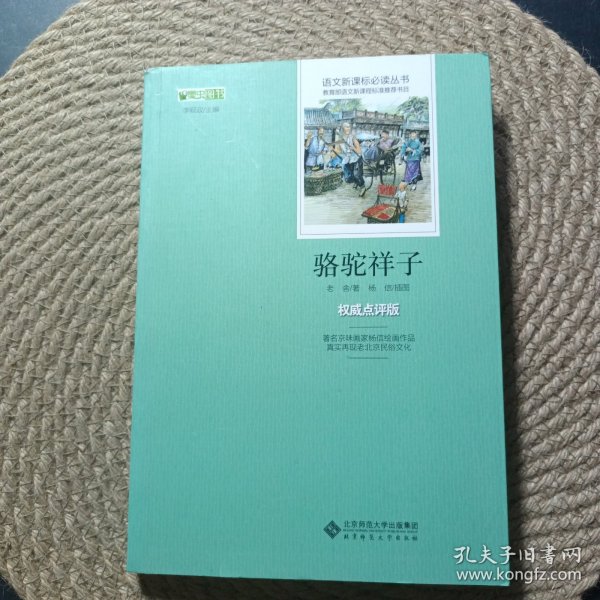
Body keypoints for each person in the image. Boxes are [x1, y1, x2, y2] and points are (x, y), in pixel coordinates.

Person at [339, 122, 366, 196]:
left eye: (349, 127)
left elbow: (359, 151)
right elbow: (338, 150)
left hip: (356, 158)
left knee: (356, 175)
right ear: (342, 128)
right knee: (347, 178)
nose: (348, 128)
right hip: (347, 159)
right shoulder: (341, 139)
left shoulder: (353, 138)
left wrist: (353, 148)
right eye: (346, 127)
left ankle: (362, 187)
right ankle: (356, 182)